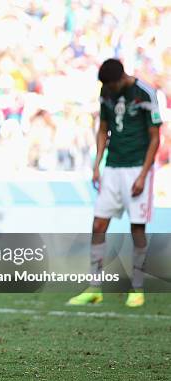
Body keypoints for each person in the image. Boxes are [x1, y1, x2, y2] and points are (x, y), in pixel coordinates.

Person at [67, 58, 161, 308]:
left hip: (137, 168)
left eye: (110, 86)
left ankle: (137, 288)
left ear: (120, 79)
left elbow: (155, 137)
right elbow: (103, 128)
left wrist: (143, 174)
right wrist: (97, 163)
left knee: (137, 228)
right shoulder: (106, 91)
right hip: (113, 167)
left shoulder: (145, 92)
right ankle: (94, 287)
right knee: (98, 224)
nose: (107, 90)